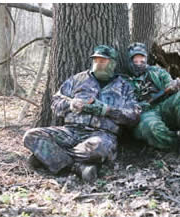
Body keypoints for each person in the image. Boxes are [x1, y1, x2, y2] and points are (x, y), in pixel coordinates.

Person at [23, 45, 141, 182]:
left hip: (101, 135)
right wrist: (70, 104)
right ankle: (77, 167)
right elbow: (55, 102)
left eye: (103, 61)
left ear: (113, 63)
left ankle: (48, 156)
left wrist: (107, 111)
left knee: (98, 149)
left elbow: (134, 116)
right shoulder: (77, 79)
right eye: (95, 60)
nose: (98, 64)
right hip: (70, 131)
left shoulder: (124, 86)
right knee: (31, 136)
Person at [126, 42, 180, 159]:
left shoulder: (157, 72)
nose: (139, 64)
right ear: (130, 61)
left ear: (146, 60)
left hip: (163, 106)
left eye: (142, 61)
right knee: (149, 128)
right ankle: (179, 144)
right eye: (135, 61)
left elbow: (170, 85)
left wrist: (177, 86)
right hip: (144, 114)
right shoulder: (123, 80)